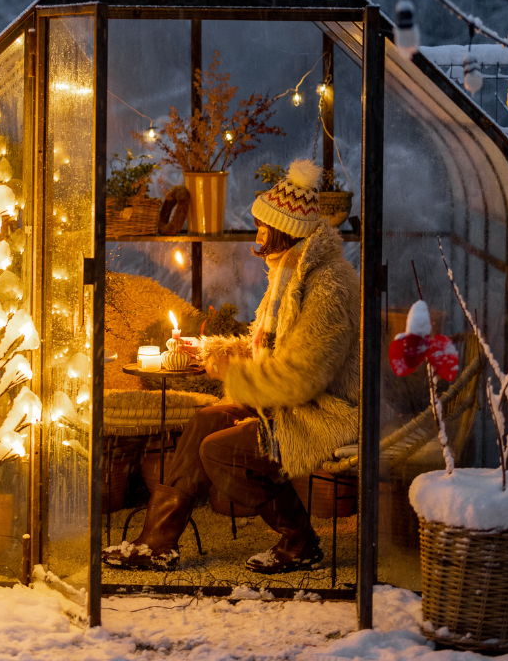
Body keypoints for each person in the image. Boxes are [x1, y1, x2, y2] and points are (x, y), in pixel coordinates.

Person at [102, 159, 362, 573]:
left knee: (218, 451)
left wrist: (233, 375)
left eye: (263, 225)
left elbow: (303, 375)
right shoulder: (288, 274)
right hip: (281, 402)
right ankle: (157, 543)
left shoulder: (327, 285)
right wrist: (209, 351)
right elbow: (266, 348)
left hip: (319, 412)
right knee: (204, 421)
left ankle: (300, 540)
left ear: (286, 230)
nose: (257, 232)